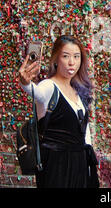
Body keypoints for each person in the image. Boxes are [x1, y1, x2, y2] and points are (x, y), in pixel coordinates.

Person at [18, 35, 99, 188]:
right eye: (65, 56)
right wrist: (25, 82)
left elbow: (84, 132)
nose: (71, 62)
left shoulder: (78, 89)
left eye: (76, 57)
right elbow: (38, 93)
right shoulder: (49, 86)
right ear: (55, 59)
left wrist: (89, 165)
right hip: (57, 166)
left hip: (80, 164)